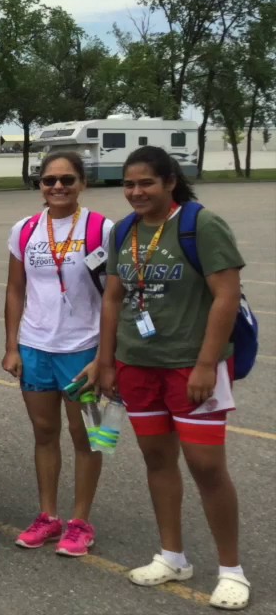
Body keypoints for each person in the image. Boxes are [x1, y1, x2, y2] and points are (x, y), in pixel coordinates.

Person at [92, 146, 248, 610]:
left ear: (169, 182)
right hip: (138, 364)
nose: (136, 192)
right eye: (129, 184)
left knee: (207, 467)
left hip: (191, 366)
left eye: (146, 183)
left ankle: (231, 570)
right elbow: (113, 299)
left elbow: (226, 296)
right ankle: (173, 556)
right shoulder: (124, 231)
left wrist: (205, 363)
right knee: (157, 460)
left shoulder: (200, 224)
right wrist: (106, 361)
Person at [2, 151, 111, 557]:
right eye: (49, 181)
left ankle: (80, 521)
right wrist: (12, 346)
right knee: (44, 434)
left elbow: (115, 297)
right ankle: (48, 516)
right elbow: (16, 289)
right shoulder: (25, 229)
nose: (58, 187)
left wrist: (104, 357)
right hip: (35, 347)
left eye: (67, 180)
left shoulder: (102, 228)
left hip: (83, 349)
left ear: (82, 183)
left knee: (88, 437)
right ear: (40, 185)